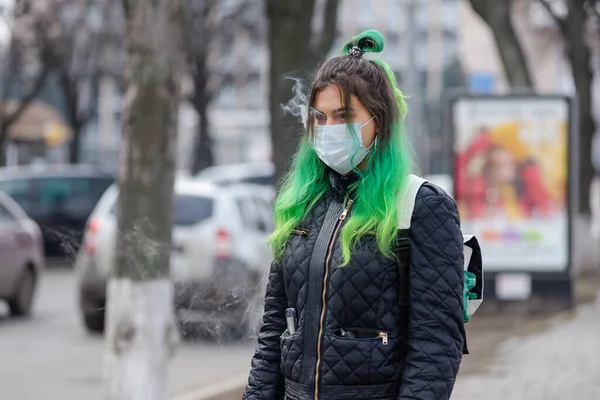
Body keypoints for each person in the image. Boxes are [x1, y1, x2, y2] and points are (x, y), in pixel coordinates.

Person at [243, 30, 465, 400]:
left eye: (344, 116)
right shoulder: (302, 205)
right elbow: (273, 334)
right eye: (320, 117)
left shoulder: (421, 206)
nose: (329, 129)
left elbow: (436, 345)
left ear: (379, 121)